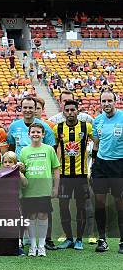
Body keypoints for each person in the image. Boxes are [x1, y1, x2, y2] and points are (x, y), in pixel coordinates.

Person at [8, 97, 57, 249]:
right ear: (20, 108)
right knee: (23, 210)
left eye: (31, 107)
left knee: (43, 211)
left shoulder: (45, 127)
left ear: (36, 108)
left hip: (40, 177)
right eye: (25, 107)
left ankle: (45, 242)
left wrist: (53, 184)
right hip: (21, 175)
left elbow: (51, 153)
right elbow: (10, 147)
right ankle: (21, 240)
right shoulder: (14, 126)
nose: (28, 110)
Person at [51, 99, 92, 250]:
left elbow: (98, 141)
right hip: (64, 175)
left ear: (77, 111)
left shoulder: (86, 127)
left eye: (72, 110)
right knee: (63, 206)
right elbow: (54, 148)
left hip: (81, 175)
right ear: (63, 112)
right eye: (67, 110)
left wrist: (93, 163)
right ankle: (69, 238)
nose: (70, 113)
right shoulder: (58, 128)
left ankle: (79, 239)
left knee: (81, 206)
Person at [20, 123, 60, 257]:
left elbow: (55, 169)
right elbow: (22, 171)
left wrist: (55, 187)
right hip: (29, 190)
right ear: (29, 134)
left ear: (43, 134)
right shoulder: (24, 151)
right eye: (33, 132)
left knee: (43, 215)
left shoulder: (49, 149)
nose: (35, 134)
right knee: (31, 216)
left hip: (44, 189)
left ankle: (41, 246)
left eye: (38, 132)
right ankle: (32, 245)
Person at [91, 90, 123, 253]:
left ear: (115, 101)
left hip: (119, 165)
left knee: (119, 202)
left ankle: (122, 240)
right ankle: (102, 239)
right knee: (100, 203)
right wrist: (94, 165)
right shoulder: (97, 121)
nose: (106, 104)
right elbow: (96, 145)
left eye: (109, 100)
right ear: (100, 103)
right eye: (104, 101)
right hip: (101, 166)